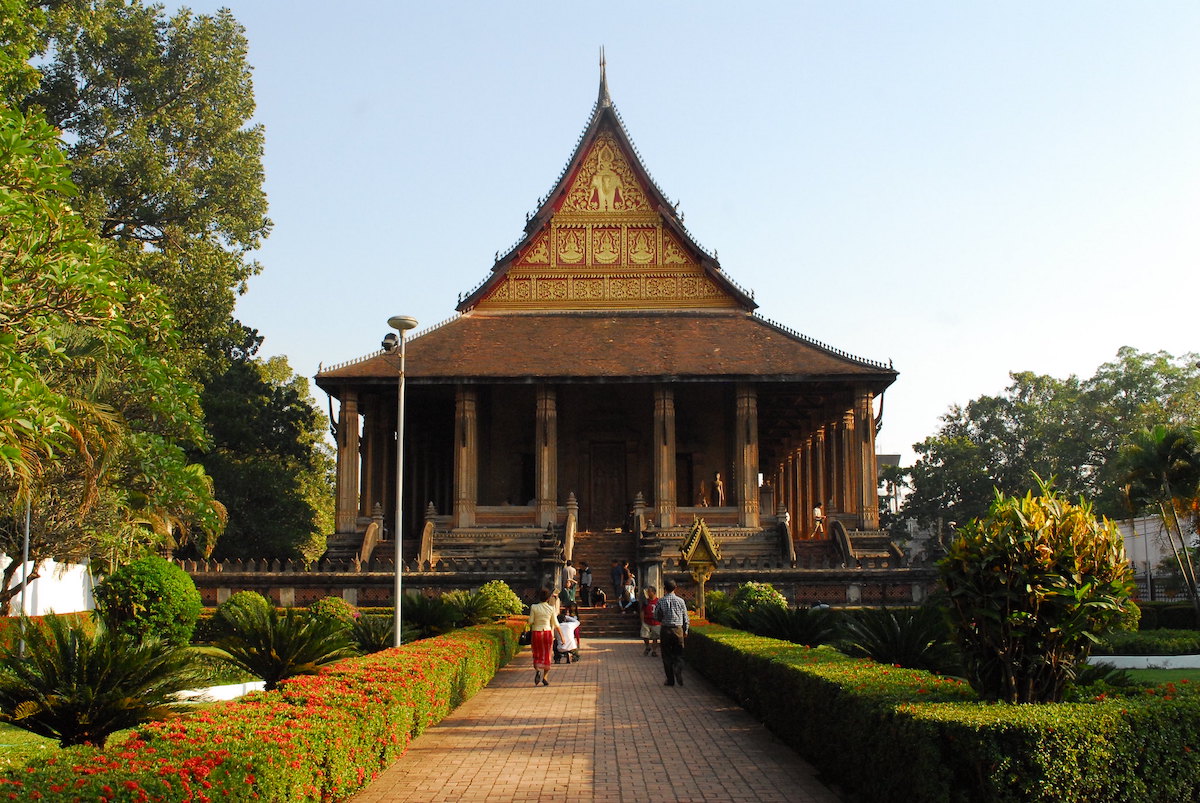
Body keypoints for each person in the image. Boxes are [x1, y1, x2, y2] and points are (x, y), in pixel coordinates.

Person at [526, 587, 564, 687]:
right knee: (547, 655)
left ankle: (537, 670)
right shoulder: (551, 608)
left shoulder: (534, 607)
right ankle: (545, 677)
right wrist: (562, 637)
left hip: (536, 633)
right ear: (548, 598)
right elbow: (556, 624)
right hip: (547, 632)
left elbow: (530, 621)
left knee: (536, 654)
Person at [656, 578, 689, 686]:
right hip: (678, 629)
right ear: (676, 588)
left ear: (664, 588)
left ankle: (670, 680)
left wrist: (662, 619)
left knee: (666, 655)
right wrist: (686, 630)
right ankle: (678, 667)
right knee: (679, 653)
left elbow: (656, 616)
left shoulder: (661, 601)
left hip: (666, 630)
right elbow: (685, 617)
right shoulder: (681, 601)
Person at [640, 586, 661, 656]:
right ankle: (647, 646)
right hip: (646, 621)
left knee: (655, 637)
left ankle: (654, 651)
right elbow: (642, 611)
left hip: (656, 622)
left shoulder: (659, 601)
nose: (648, 593)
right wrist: (642, 620)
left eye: (650, 592)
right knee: (645, 635)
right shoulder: (646, 601)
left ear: (654, 592)